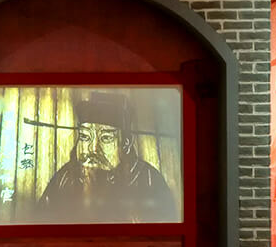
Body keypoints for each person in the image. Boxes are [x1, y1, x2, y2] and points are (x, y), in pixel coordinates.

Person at [38, 91, 176, 223]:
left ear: (126, 143)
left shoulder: (149, 180)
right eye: (85, 137)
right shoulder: (65, 177)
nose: (93, 149)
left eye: (106, 138)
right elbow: (41, 220)